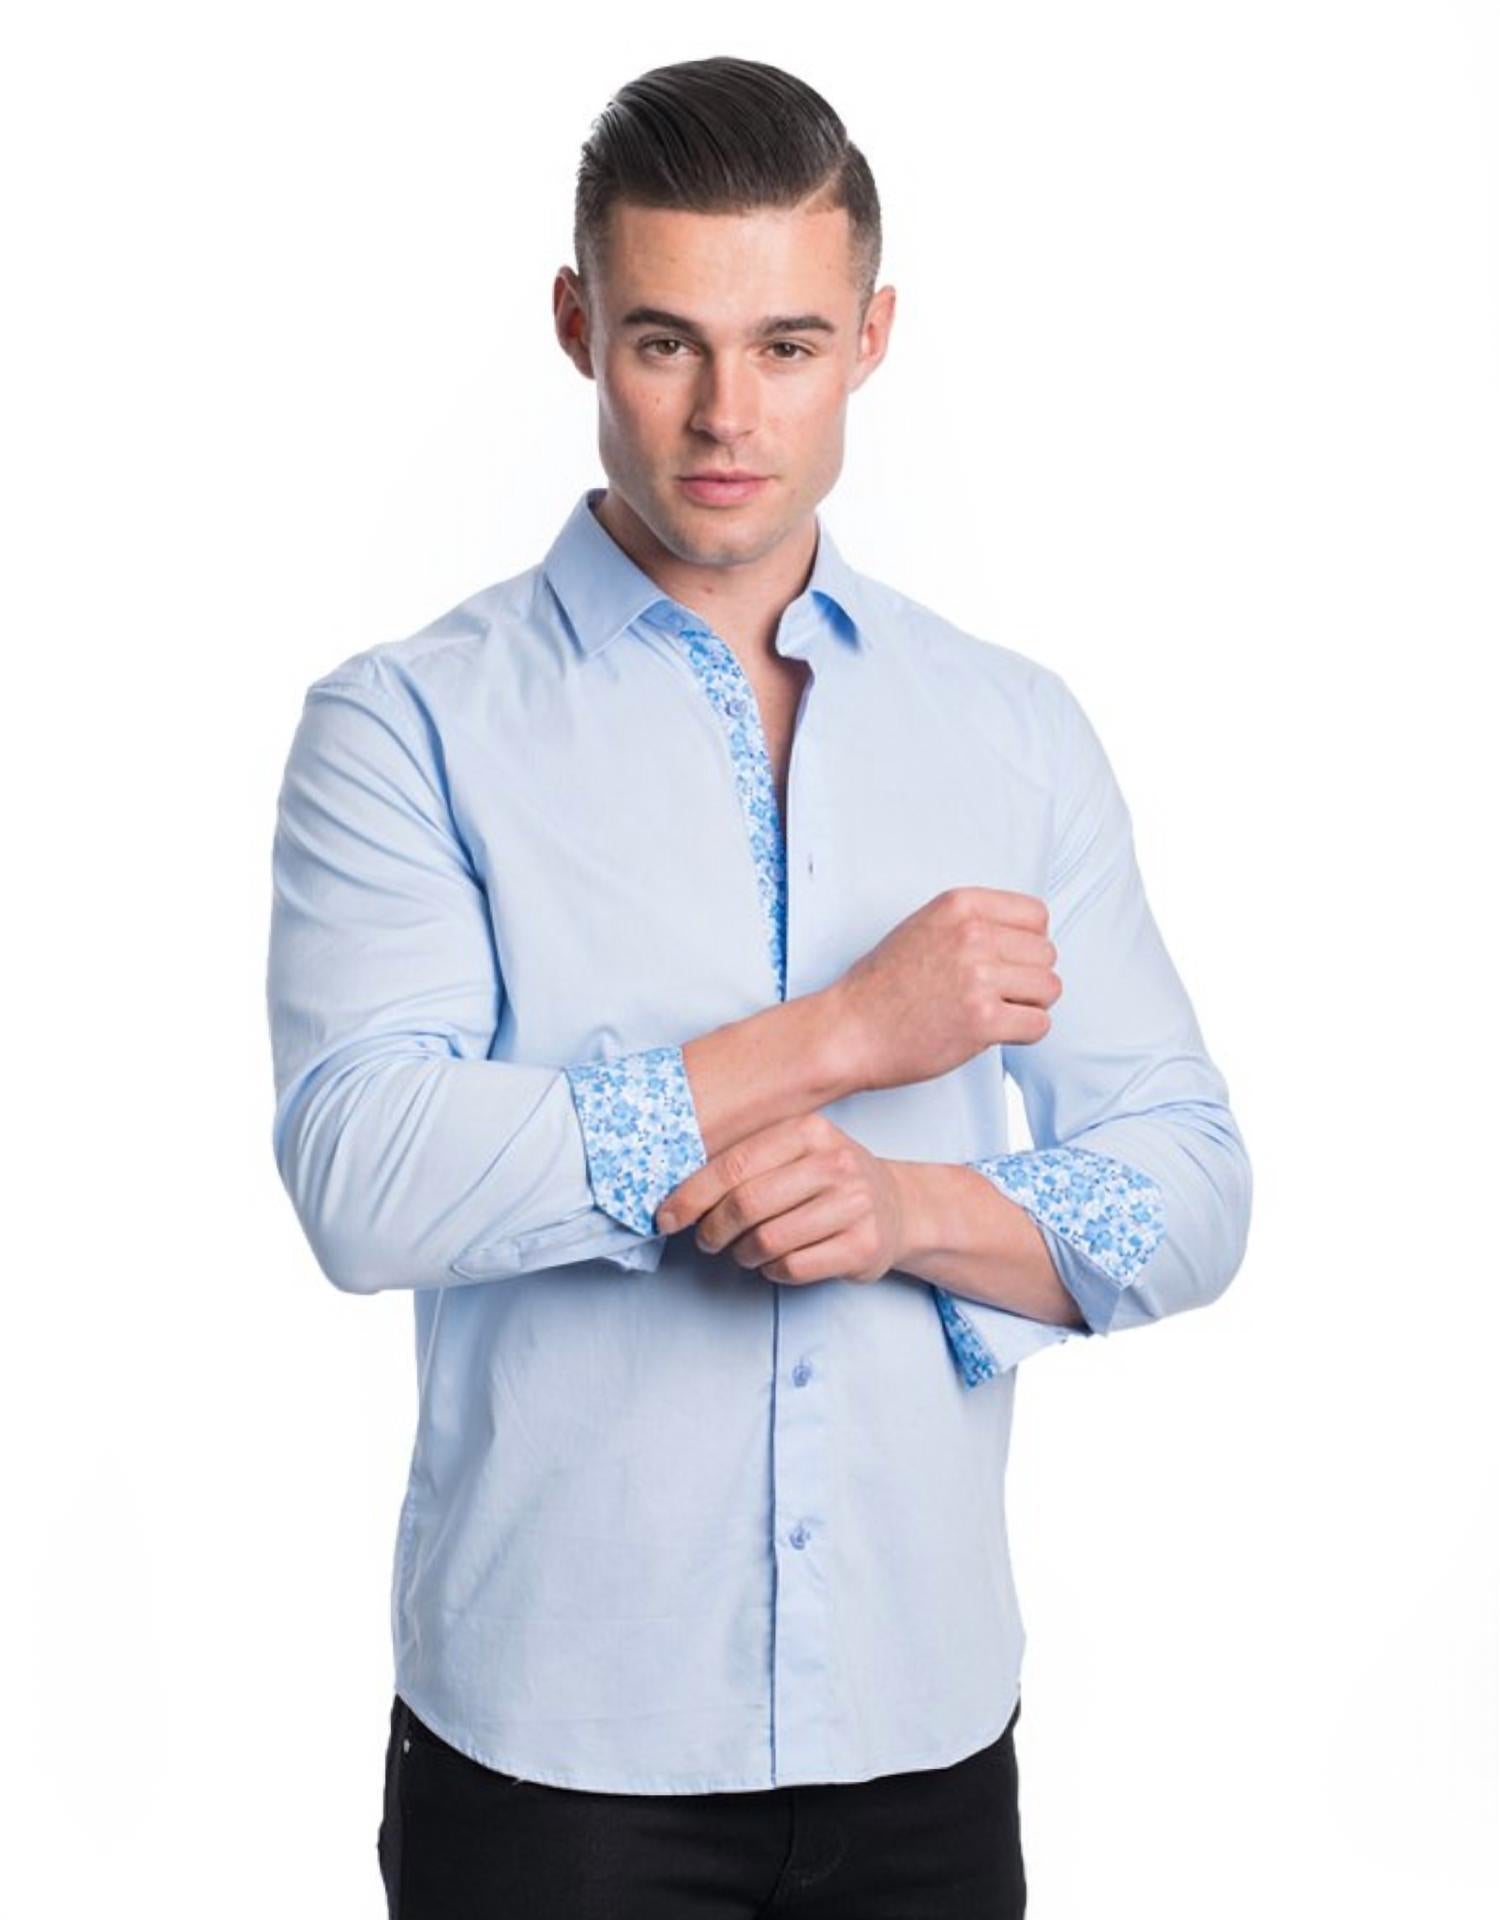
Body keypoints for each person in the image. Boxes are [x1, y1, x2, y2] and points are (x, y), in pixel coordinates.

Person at [265, 53, 1253, 1920]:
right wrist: (846, 1037)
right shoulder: (407, 725)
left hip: (925, 1740)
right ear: (579, 326)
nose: (728, 415)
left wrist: (910, 1211)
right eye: (667, 342)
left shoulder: (1011, 730)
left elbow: (1192, 1182)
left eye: (787, 345)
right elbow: (365, 1176)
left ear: (870, 337)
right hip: (556, 1770)